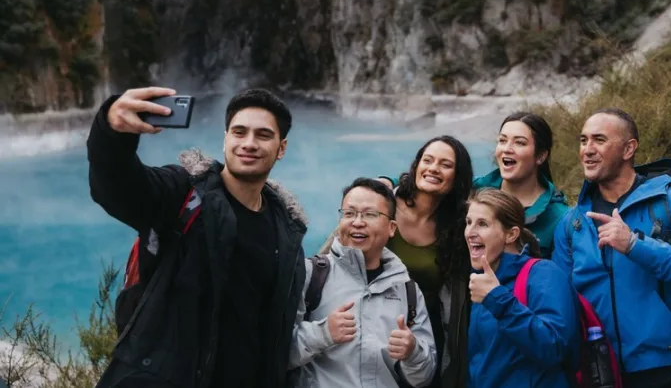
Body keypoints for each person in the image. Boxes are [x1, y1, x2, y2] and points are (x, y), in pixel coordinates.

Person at [88, 87, 308, 388]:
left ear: (281, 148)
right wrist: (111, 132)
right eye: (239, 132)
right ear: (225, 138)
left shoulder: (287, 229)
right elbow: (119, 188)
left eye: (263, 135)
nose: (249, 143)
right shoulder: (184, 194)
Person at [552, 108, 671, 388]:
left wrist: (634, 244)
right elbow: (561, 302)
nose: (587, 150)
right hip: (596, 370)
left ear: (629, 148)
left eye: (599, 140)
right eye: (583, 141)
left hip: (662, 368)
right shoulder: (572, 224)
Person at [290, 178, 437, 387]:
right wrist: (322, 333)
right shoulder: (310, 274)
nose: (358, 222)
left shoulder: (406, 288)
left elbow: (423, 378)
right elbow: (275, 355)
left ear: (392, 228)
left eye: (370, 215)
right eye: (349, 213)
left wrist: (412, 352)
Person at [369, 136, 474, 387]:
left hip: (423, 336)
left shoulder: (459, 226)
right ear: (416, 166)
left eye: (445, 164)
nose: (434, 168)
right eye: (428, 160)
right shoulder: (383, 204)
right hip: (368, 323)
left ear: (457, 177)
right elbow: (336, 251)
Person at [465, 188, 580, 388]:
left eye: (482, 224)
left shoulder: (544, 274)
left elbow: (555, 347)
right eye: (468, 223)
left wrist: (499, 301)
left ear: (511, 234)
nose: (470, 232)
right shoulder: (483, 285)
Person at [473, 112, 569, 257]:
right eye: (502, 140)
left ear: (541, 156)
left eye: (519, 143)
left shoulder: (559, 217)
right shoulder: (473, 191)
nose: (507, 149)